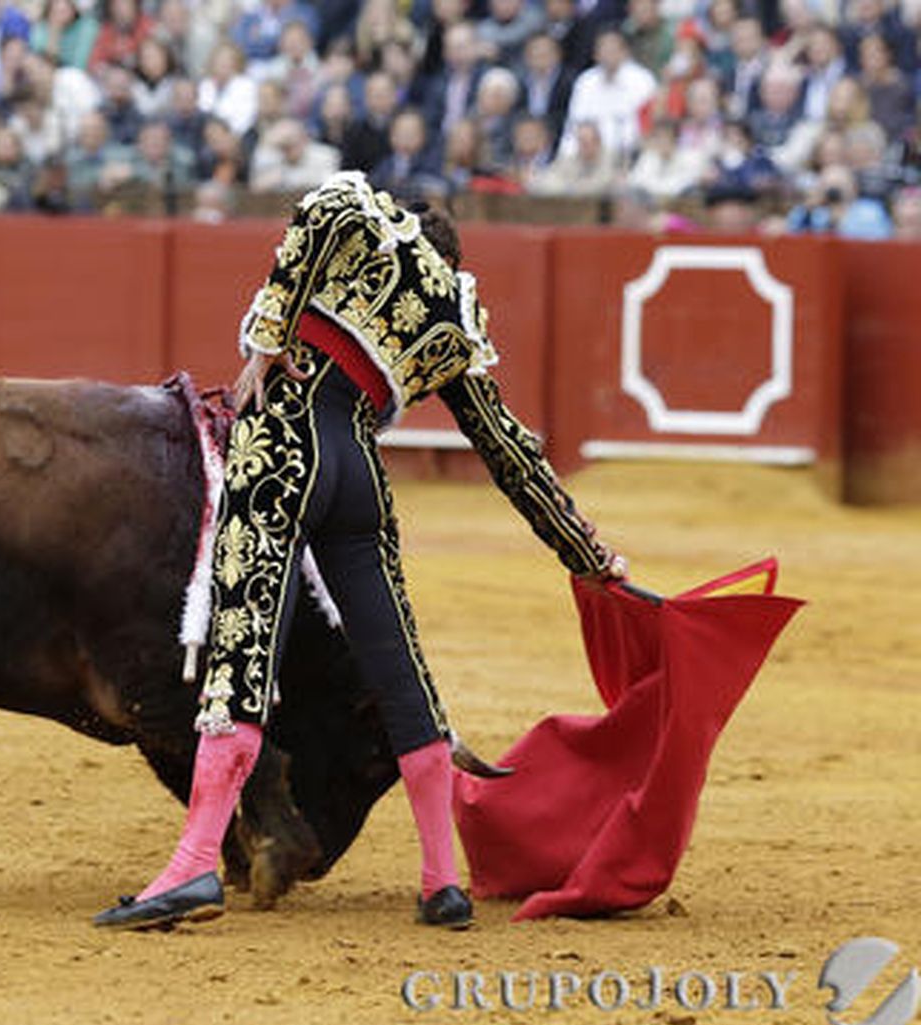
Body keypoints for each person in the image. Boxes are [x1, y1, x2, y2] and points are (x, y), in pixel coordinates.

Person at [93, 171, 625, 932]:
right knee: (400, 668)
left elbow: (328, 202)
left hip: (286, 444)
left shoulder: (372, 227)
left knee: (244, 650)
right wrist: (587, 553)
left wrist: (270, 340)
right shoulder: (454, 317)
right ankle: (443, 881)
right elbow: (509, 451)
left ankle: (194, 867)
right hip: (360, 479)